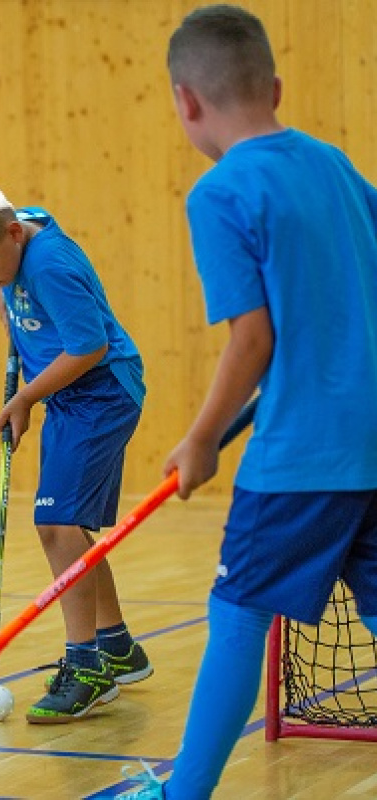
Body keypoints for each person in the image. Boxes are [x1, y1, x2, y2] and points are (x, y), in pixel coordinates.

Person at [119, 5, 377, 797]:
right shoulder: (337, 166)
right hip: (370, 443)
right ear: (274, 85)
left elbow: (252, 340)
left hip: (300, 455)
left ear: (184, 102)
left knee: (238, 610)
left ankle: (181, 792)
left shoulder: (221, 192)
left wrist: (199, 439)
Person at [0, 178, 152, 723]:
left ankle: (87, 665)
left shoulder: (49, 262)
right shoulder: (13, 234)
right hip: (70, 396)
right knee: (68, 527)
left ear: (12, 234)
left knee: (56, 525)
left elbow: (90, 344)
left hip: (100, 392)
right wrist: (10, 317)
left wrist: (27, 395)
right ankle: (117, 647)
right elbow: (13, 299)